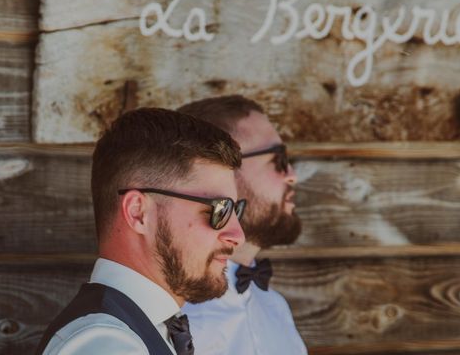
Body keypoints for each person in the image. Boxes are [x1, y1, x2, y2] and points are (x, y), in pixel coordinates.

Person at [35, 107, 246, 355]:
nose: (238, 235)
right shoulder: (104, 344)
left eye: (236, 209)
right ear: (138, 213)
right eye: (220, 209)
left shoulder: (144, 331)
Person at [179, 95, 307, 355]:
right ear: (219, 171)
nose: (292, 175)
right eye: (278, 159)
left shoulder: (275, 307)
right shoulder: (172, 324)